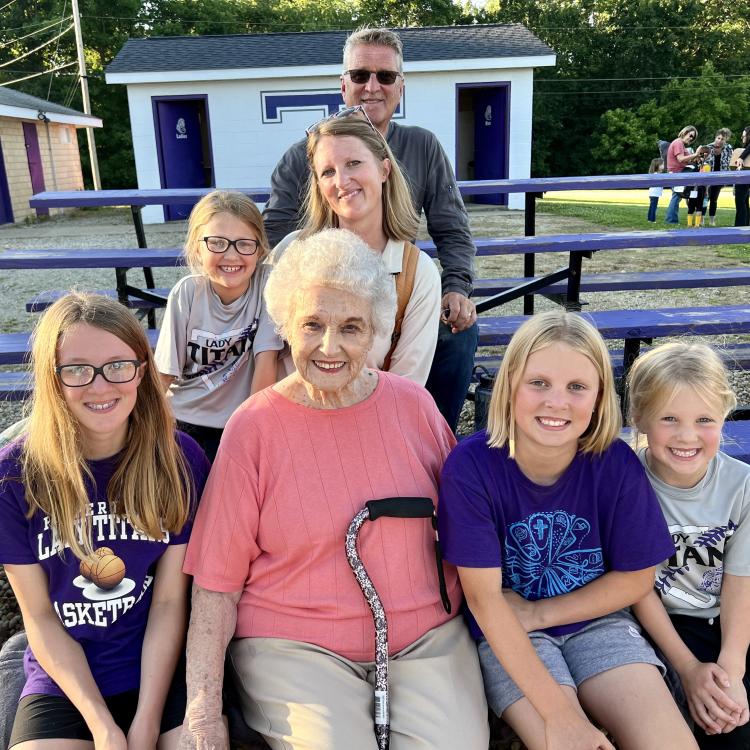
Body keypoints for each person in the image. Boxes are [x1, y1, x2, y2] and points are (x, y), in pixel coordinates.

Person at [178, 229, 489, 750]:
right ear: (285, 329)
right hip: (294, 647)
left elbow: (471, 526)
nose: (330, 346)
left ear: (375, 333)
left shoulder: (414, 406)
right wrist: (203, 711)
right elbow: (216, 582)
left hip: (425, 641)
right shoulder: (254, 427)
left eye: (351, 327)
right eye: (312, 325)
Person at [438, 310, 698, 750]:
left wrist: (542, 613)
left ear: (599, 397)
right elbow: (485, 600)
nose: (556, 402)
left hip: (599, 621)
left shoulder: (613, 462)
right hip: (508, 633)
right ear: (511, 385)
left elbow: (637, 576)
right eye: (538, 382)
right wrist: (561, 718)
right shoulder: (471, 467)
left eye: (577, 387)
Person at [0, 292, 210, 749]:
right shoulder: (13, 476)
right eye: (76, 369)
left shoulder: (178, 460)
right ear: (52, 379)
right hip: (64, 678)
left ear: (142, 369)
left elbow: (171, 603)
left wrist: (146, 723)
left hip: (158, 667)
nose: (100, 386)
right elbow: (39, 616)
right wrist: (103, 728)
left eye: (118, 365)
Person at [263, 27, 478, 433]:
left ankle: (432, 435)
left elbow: (452, 228)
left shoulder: (423, 146)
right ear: (343, 84)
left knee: (457, 333)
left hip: (394, 284)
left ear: (401, 85)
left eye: (385, 76)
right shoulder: (305, 151)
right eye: (360, 76)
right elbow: (274, 230)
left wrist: (457, 286)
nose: (372, 87)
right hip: (325, 285)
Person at [628, 342, 750, 749]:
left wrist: (731, 669)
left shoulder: (742, 486)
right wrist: (688, 667)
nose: (687, 435)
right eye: (669, 418)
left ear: (724, 415)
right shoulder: (627, 483)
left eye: (704, 419)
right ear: (639, 417)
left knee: (732, 707)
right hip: (662, 623)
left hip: (728, 619)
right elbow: (637, 587)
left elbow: (739, 583)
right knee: (720, 726)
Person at [272, 113, 441, 384]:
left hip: (368, 417)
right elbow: (262, 356)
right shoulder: (291, 252)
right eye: (328, 171)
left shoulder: (417, 274)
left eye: (353, 163)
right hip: (289, 414)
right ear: (318, 185)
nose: (341, 180)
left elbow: (406, 386)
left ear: (384, 170)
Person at [155, 190, 283, 461]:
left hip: (238, 420)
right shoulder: (187, 293)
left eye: (244, 244)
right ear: (197, 248)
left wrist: (255, 430)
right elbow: (164, 375)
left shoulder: (267, 284)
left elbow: (265, 360)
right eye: (217, 243)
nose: (231, 255)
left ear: (259, 249)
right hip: (184, 419)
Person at [666, 126, 703, 225]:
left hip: (679, 173)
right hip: (676, 173)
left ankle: (671, 220)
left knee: (677, 196)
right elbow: (681, 159)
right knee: (677, 196)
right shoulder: (678, 143)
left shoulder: (682, 145)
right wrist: (695, 154)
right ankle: (671, 220)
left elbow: (689, 160)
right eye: (690, 135)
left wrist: (698, 157)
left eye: (693, 138)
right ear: (684, 132)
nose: (691, 138)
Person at [703, 128, 734, 226]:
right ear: (715, 137)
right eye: (718, 138)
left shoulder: (729, 148)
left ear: (726, 140)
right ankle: (702, 218)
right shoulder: (708, 147)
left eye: (722, 139)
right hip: (708, 177)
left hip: (720, 177)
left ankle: (712, 220)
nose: (720, 141)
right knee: (705, 198)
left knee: (714, 199)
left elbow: (731, 162)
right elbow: (702, 162)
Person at [733, 126, 750, 227]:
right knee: (744, 201)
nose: (742, 137)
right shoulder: (746, 148)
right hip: (745, 176)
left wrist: (741, 158)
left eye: (744, 135)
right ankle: (745, 224)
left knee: (740, 201)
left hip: (744, 177)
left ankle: (740, 225)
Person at [647, 157, 665, 223]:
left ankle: (649, 219)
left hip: (653, 193)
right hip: (654, 193)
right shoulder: (656, 175)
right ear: (658, 166)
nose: (663, 166)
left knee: (652, 206)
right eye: (662, 164)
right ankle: (652, 220)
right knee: (653, 207)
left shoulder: (657, 174)